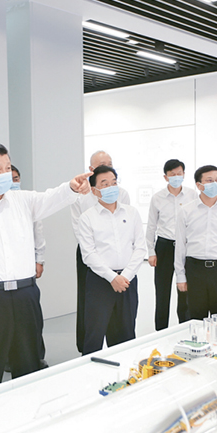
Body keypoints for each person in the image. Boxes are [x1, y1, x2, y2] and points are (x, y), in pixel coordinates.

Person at [0, 142, 92, 393]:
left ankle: (26, 413)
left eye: (7, 167)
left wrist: (72, 187)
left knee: (29, 366)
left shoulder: (23, 201)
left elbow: (51, 198)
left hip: (25, 296)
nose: (5, 174)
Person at [79, 165, 147, 354]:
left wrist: (125, 276)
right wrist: (112, 277)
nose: (111, 187)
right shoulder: (87, 218)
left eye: (114, 183)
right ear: (94, 190)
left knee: (126, 334)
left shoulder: (131, 213)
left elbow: (140, 248)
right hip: (100, 282)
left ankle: (125, 369)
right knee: (94, 335)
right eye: (105, 184)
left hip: (127, 281)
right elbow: (88, 254)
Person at [71, 150, 130, 353]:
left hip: (117, 255)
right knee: (89, 302)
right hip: (89, 254)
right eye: (101, 164)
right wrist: (97, 259)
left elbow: (125, 227)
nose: (107, 167)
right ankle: (86, 345)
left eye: (110, 164)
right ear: (91, 170)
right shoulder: (80, 196)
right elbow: (79, 231)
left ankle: (118, 345)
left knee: (120, 305)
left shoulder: (122, 193)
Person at [175, 165, 217, 320]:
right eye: (209, 180)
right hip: (195, 270)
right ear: (199, 185)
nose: (215, 183)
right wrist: (180, 276)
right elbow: (180, 246)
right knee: (195, 319)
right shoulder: (186, 210)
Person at [146, 159, 198, 330]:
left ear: (184, 174)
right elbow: (151, 226)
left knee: (185, 292)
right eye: (172, 174)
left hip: (186, 246)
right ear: (165, 177)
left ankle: (185, 329)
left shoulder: (192, 195)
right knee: (162, 292)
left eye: (179, 173)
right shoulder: (157, 198)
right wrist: (151, 251)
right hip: (164, 247)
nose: (176, 177)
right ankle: (160, 331)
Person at [11, 165, 49, 370]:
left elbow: (38, 233)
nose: (13, 182)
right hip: (3, 275)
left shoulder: (27, 202)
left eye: (16, 178)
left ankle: (37, 356)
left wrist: (39, 260)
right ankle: (9, 358)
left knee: (33, 318)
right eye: (9, 178)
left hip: (26, 272)